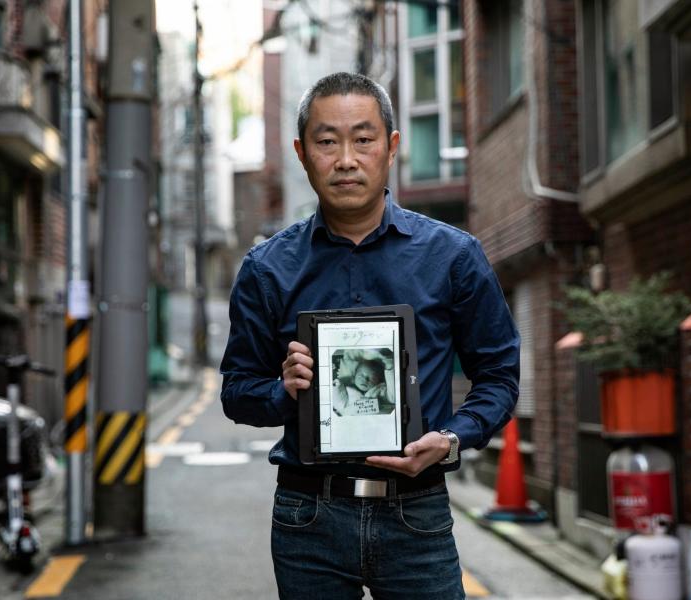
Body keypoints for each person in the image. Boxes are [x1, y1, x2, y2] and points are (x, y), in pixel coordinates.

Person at [220, 72, 520, 600]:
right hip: (307, 515)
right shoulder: (266, 269)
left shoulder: (452, 257)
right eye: (327, 141)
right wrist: (282, 389)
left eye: (363, 139)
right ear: (301, 151)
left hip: (417, 509)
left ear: (392, 147)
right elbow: (237, 392)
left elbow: (498, 376)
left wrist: (452, 440)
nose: (346, 159)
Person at [332, 350, 393, 416]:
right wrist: (336, 387)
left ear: (379, 381)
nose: (365, 379)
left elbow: (393, 397)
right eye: (361, 375)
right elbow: (339, 403)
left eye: (372, 378)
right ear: (354, 377)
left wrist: (389, 369)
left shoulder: (380, 391)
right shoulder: (348, 390)